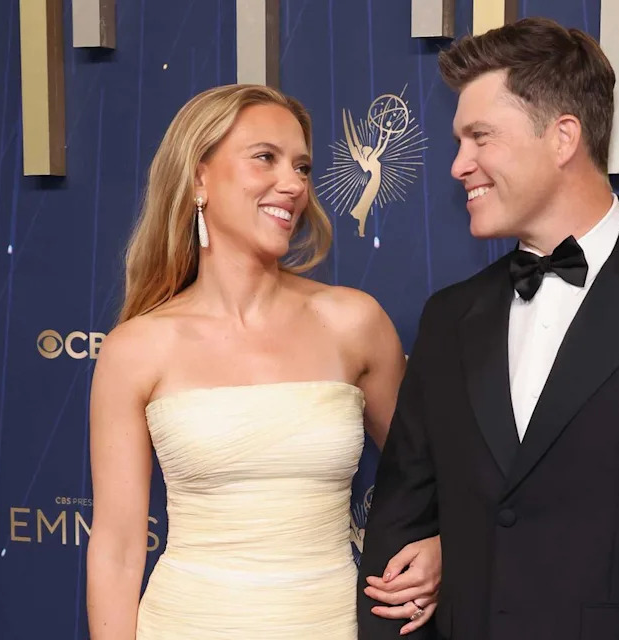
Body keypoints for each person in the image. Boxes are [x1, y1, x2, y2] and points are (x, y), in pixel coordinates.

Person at [357, 17, 619, 640]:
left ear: (562, 138)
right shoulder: (449, 317)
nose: (457, 166)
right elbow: (400, 530)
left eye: (479, 137)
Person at [86, 84, 441, 639]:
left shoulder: (354, 323)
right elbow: (117, 548)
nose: (293, 183)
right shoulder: (137, 348)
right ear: (199, 178)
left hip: (328, 624)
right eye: (265, 158)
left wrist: (441, 545)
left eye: (301, 166)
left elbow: (436, 479)